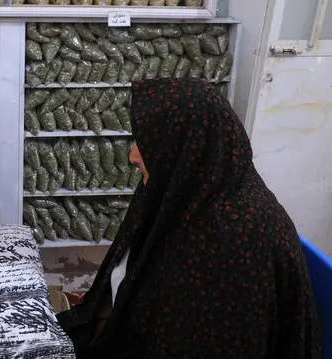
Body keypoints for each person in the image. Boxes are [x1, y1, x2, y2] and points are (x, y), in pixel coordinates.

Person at [57, 78, 321, 358]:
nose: (133, 155)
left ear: (187, 144)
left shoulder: (236, 238)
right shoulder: (179, 188)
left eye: (148, 143)